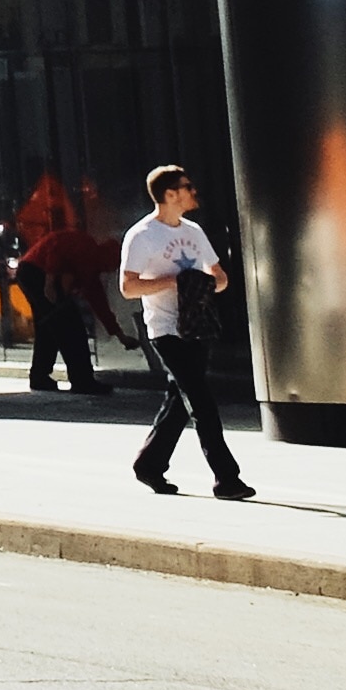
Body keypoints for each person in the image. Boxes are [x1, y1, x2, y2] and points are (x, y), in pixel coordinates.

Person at [120, 164, 250, 499]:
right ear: (169, 194)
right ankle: (227, 478)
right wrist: (177, 281)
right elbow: (128, 287)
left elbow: (219, 277)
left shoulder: (193, 231)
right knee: (202, 402)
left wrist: (206, 284)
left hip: (197, 327)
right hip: (165, 330)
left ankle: (149, 464)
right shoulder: (141, 235)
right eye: (187, 186)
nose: (194, 191)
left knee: (180, 399)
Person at [16, 173, 107, 395]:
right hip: (38, 273)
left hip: (31, 271)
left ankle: (41, 376)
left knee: (49, 326)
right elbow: (57, 259)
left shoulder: (89, 256)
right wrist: (51, 288)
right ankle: (82, 379)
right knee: (69, 326)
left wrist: (118, 333)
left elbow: (97, 299)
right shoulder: (86, 250)